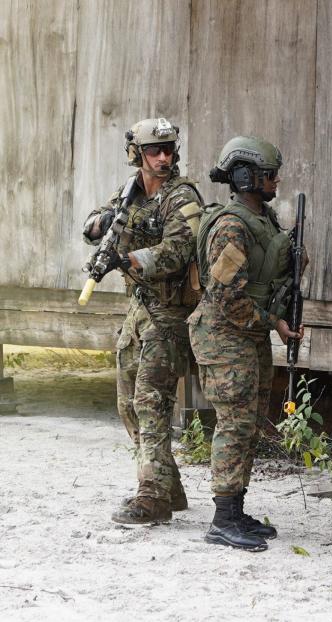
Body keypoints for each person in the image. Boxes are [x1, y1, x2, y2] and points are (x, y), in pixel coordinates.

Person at [82, 118, 203, 524]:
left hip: (170, 312)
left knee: (151, 401)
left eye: (169, 149)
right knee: (127, 402)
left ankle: (152, 497)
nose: (164, 157)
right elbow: (100, 219)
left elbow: (178, 251)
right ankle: (169, 486)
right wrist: (99, 224)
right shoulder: (131, 192)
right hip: (139, 309)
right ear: (137, 154)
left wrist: (128, 259)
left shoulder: (181, 196)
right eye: (155, 150)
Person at [189, 136, 302, 552]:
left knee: (251, 422)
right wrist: (273, 322)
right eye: (269, 174)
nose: (276, 181)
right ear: (245, 176)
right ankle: (222, 519)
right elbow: (226, 297)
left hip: (248, 334)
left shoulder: (264, 219)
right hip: (225, 335)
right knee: (234, 425)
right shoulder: (231, 226)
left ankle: (235, 510)